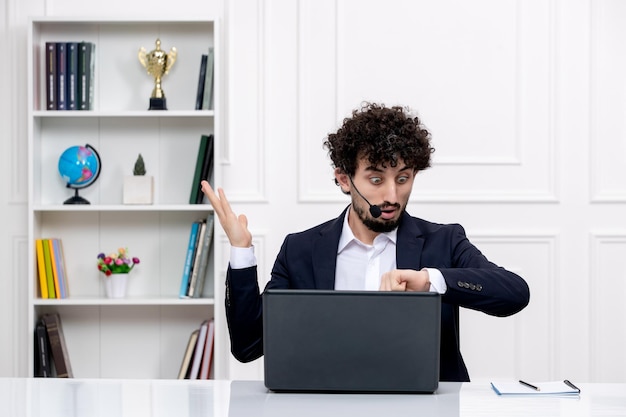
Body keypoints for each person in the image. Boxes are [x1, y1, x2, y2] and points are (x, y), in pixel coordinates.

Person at [201, 102, 530, 382]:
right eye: (376, 179)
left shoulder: (443, 241)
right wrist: (241, 252)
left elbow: (514, 293)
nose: (391, 195)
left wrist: (432, 280)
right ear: (344, 179)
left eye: (403, 179)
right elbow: (247, 347)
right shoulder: (300, 250)